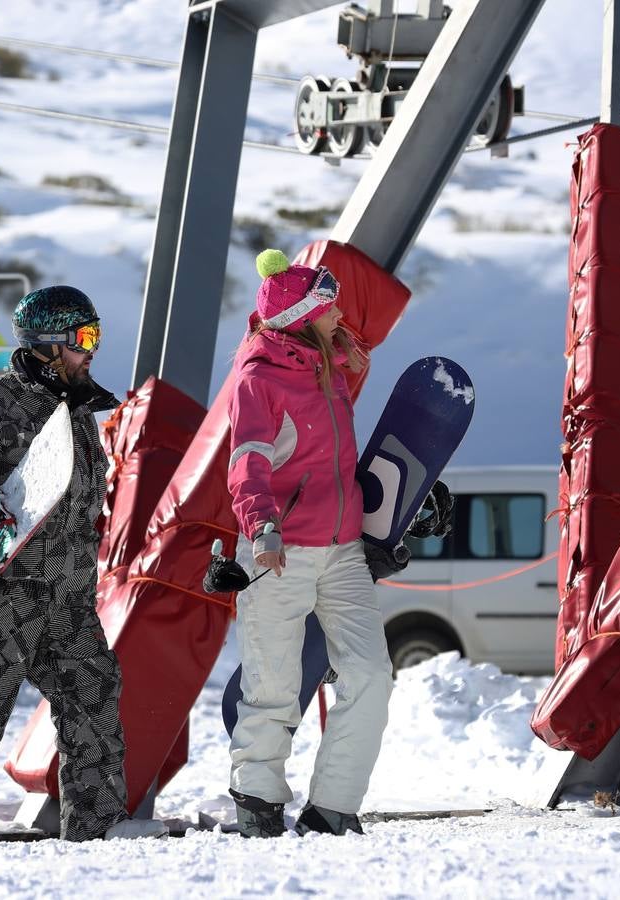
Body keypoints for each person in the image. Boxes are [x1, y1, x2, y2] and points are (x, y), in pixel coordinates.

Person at [0, 285, 164, 848]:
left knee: (92, 695)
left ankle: (97, 824)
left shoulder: (75, 412)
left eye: (96, 336)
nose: (92, 350)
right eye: (84, 338)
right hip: (5, 595)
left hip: (68, 594)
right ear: (49, 345)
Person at [224, 249, 394, 838]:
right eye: (327, 306)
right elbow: (248, 460)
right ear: (299, 316)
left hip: (342, 551)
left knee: (371, 675)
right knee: (272, 683)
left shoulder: (332, 372)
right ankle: (257, 799)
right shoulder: (258, 378)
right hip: (278, 550)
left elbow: (339, 468)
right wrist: (260, 526)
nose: (338, 312)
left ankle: (333, 807)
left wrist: (383, 524)